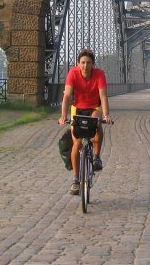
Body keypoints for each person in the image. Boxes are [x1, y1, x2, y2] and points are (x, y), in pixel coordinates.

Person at [58, 48, 112, 195]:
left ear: (93, 64)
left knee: (97, 121)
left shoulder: (99, 74)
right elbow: (67, 96)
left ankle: (96, 157)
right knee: (77, 143)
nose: (85, 66)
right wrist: (63, 116)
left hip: (94, 106)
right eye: (82, 62)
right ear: (78, 63)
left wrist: (106, 115)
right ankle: (76, 180)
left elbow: (103, 96)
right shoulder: (73, 73)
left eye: (88, 63)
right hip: (78, 108)